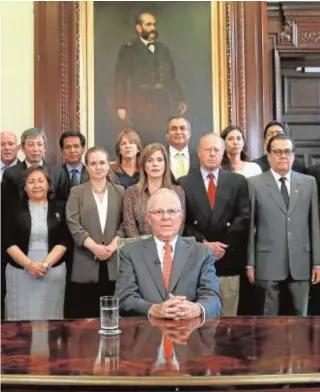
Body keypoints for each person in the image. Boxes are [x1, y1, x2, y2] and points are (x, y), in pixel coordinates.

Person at [115, 188, 221, 318]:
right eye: (159, 212)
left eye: (171, 211)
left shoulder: (202, 253)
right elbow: (124, 299)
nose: (166, 217)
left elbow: (213, 299)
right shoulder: (130, 253)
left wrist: (196, 309)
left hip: (189, 332)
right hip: (147, 333)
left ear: (181, 216)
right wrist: (153, 309)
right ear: (148, 217)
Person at [247, 134, 320, 316]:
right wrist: (250, 263)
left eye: (287, 151)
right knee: (268, 320)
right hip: (267, 261)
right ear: (269, 155)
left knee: (300, 319)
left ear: (294, 155)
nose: (283, 156)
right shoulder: (254, 184)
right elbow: (250, 228)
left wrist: (317, 262)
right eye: (277, 152)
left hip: (301, 262)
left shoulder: (308, 183)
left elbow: (314, 226)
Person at [178, 134, 250, 317]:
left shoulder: (238, 181)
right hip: (196, 258)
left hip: (228, 259)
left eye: (216, 150)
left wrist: (221, 246)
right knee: (199, 317)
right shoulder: (184, 183)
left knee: (228, 318)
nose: (212, 153)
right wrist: (204, 243)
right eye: (207, 149)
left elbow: (243, 217)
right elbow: (181, 221)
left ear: (223, 153)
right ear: (199, 153)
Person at [2, 166, 71, 320]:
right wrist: (29, 265)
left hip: (52, 271)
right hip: (20, 272)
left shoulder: (61, 207)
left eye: (41, 181)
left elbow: (64, 239)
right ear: (25, 188)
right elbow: (7, 240)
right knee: (20, 326)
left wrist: (44, 265)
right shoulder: (14, 209)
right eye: (31, 182)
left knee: (51, 324)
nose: (37, 185)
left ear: (48, 184)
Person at [66, 147, 125, 318]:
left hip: (114, 260)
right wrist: (94, 248)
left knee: (113, 315)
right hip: (86, 261)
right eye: (93, 163)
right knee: (87, 317)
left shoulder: (120, 191)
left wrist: (112, 247)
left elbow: (125, 223)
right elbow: (73, 224)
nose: (98, 167)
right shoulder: (76, 192)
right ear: (86, 166)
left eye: (102, 163)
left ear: (108, 165)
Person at [114, 12, 186, 145]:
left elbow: (171, 77)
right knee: (141, 137)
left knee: (162, 136)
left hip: (161, 101)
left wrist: (179, 99)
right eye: (148, 24)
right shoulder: (128, 49)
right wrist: (121, 105)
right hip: (139, 101)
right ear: (139, 28)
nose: (153, 28)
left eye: (154, 24)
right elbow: (121, 78)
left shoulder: (163, 49)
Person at [123, 143, 185, 237]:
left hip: (169, 247)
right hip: (140, 248)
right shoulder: (131, 193)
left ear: (165, 164)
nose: (155, 164)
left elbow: (180, 224)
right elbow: (129, 226)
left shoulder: (177, 192)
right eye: (150, 161)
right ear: (144, 165)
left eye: (159, 160)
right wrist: (141, 248)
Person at [1, 128, 70, 207]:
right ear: (22, 148)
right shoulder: (10, 174)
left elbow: (64, 203)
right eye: (30, 144)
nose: (35, 149)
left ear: (44, 148)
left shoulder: (58, 173)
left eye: (39, 144)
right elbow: (5, 205)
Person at [166, 116, 200, 183]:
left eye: (182, 128)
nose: (178, 132)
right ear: (167, 135)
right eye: (173, 129)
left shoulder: (199, 157)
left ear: (189, 134)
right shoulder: (160, 156)